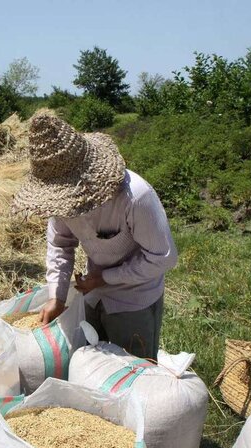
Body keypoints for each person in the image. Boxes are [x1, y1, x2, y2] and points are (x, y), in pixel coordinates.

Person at [11, 112, 178, 359]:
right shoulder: (60, 202)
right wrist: (56, 296)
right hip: (94, 295)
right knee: (97, 364)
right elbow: (60, 245)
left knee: (134, 370)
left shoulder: (134, 197)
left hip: (134, 298)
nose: (69, 205)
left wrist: (105, 278)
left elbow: (163, 258)